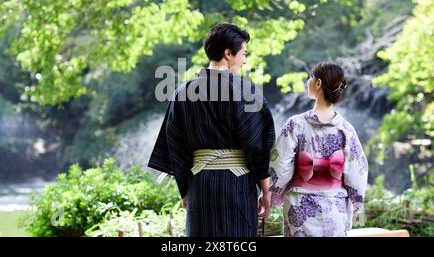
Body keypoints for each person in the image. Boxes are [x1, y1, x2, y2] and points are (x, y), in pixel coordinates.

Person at [148, 23, 276, 237]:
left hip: (200, 187)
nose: (244, 61)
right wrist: (266, 191)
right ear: (228, 53)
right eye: (243, 54)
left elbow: (175, 146)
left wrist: (185, 189)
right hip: (238, 186)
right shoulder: (246, 91)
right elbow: (259, 146)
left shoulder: (182, 93)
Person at [269, 62, 368, 237]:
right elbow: (357, 172)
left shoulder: (295, 124)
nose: (308, 81)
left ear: (318, 84)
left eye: (310, 78)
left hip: (299, 207)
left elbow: (280, 164)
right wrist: (357, 202)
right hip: (334, 207)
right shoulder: (346, 129)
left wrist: (274, 193)